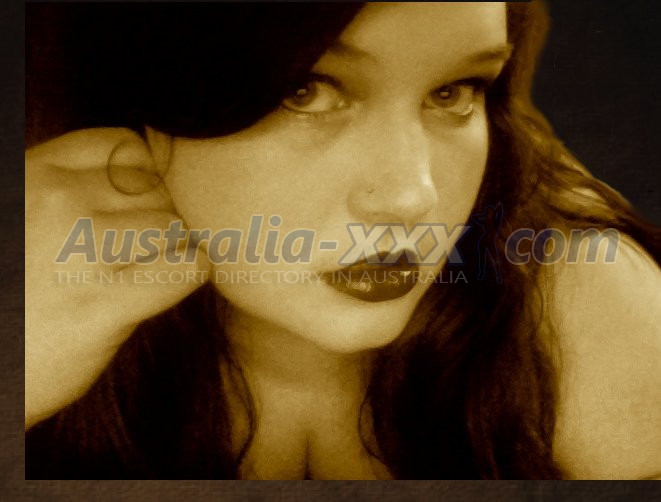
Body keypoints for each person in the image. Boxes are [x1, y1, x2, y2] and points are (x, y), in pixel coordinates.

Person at [25, 2, 661, 479]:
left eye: (453, 92)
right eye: (305, 91)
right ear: (133, 100)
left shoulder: (576, 303)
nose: (412, 196)